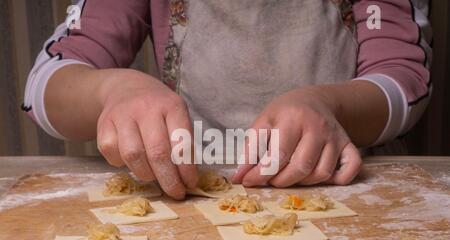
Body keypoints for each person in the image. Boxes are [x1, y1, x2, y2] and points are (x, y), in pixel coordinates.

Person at [23, 0, 431, 199]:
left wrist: (330, 104)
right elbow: (47, 84)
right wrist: (112, 91)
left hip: (344, 182)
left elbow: (403, 78)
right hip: (188, 186)